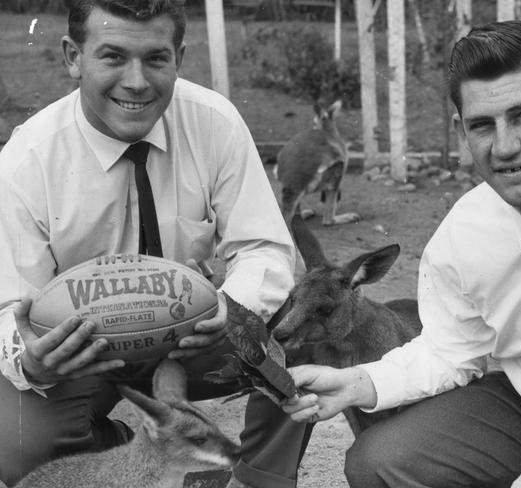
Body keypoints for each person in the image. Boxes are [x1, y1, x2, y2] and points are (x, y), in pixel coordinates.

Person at [282, 20, 521, 488]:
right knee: (380, 459)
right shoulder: (466, 228)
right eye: (482, 125)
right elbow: (449, 350)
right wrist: (358, 383)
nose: (504, 147)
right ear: (461, 133)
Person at [0, 1, 312, 487]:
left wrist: (231, 308)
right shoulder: (28, 159)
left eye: (155, 59)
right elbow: (9, 307)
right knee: (18, 442)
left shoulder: (214, 122)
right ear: (72, 56)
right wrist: (35, 360)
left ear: (179, 58)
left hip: (198, 332)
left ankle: (258, 476)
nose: (137, 81)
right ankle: (144, 456)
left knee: (309, 326)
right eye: (113, 56)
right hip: (89, 349)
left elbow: (266, 250)